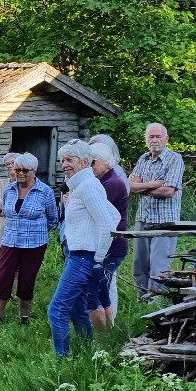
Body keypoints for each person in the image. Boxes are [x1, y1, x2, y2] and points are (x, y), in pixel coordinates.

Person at [49, 140, 120, 357]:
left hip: (82, 258)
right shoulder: (82, 185)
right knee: (76, 309)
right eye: (62, 160)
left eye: (69, 159)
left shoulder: (88, 186)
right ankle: (87, 353)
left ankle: (61, 359)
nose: (64, 164)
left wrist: (98, 258)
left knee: (56, 310)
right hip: (78, 256)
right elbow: (114, 215)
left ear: (85, 161)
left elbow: (109, 225)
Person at [0, 153, 57, 324]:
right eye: (17, 169)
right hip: (10, 241)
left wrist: (35, 230)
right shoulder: (9, 189)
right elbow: (6, 212)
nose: (20, 173)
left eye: (25, 170)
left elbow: (53, 219)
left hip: (34, 244)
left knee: (27, 279)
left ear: (34, 171)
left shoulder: (45, 191)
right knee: (2, 277)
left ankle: (24, 316)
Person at [129, 123, 184, 300]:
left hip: (164, 221)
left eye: (158, 136)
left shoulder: (174, 159)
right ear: (146, 139)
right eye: (151, 136)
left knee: (159, 266)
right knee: (139, 264)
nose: (154, 140)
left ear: (166, 139)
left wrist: (141, 186)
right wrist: (153, 184)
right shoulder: (143, 159)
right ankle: (142, 301)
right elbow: (130, 186)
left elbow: (168, 191)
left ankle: (156, 304)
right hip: (142, 218)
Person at [88, 142, 129, 328]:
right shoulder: (106, 180)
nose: (90, 166)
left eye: (93, 162)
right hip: (111, 243)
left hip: (113, 245)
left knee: (103, 285)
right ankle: (106, 326)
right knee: (104, 285)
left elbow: (96, 213)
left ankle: (107, 326)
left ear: (104, 162)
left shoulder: (111, 183)